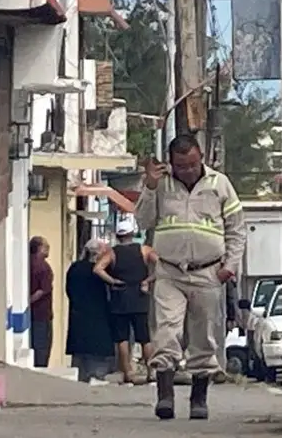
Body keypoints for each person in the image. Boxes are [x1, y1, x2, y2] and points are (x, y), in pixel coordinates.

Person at [134, 134, 246, 421]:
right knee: (167, 332)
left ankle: (199, 398)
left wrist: (229, 266)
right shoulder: (160, 185)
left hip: (208, 272)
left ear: (201, 159)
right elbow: (144, 221)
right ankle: (165, 397)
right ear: (171, 163)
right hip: (170, 270)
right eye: (181, 166)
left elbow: (236, 229)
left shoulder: (220, 184)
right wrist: (149, 186)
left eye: (193, 164)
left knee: (204, 336)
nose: (188, 170)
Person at [94, 216, 158, 384]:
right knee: (144, 337)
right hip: (140, 297)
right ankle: (151, 372)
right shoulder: (144, 250)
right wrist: (148, 280)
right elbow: (162, 265)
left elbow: (97, 269)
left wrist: (113, 281)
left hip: (119, 298)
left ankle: (128, 372)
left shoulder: (112, 253)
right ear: (132, 233)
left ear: (118, 235)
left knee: (122, 338)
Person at [66, 239, 116, 382]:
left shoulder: (74, 268)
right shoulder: (103, 273)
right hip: (99, 322)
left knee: (80, 365)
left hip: (78, 320)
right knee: (97, 369)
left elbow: (69, 290)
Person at [28, 236, 54, 368]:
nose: (48, 249)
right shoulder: (43, 267)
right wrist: (29, 302)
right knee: (42, 349)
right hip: (41, 314)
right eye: (46, 247)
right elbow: (42, 290)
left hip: (31, 315)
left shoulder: (27, 263)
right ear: (39, 248)